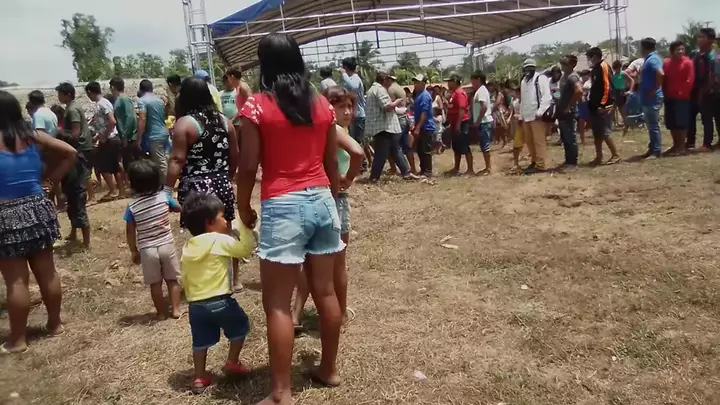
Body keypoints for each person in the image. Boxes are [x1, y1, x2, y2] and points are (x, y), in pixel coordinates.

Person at [236, 33, 346, 404]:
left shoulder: (257, 106)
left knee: (278, 303)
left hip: (283, 204)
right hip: (322, 200)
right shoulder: (321, 104)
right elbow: (331, 163)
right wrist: (331, 199)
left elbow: (248, 166)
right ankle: (328, 369)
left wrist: (243, 206)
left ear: (264, 65)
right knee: (326, 291)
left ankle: (281, 393)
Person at [0, 90, 77, 354]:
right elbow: (70, 152)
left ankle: (18, 340)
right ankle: (55, 325)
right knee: (47, 271)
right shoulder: (32, 135)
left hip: (5, 214)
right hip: (38, 207)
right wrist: (50, 181)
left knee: (16, 280)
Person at [293, 86, 364, 330]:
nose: (347, 112)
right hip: (334, 199)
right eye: (341, 106)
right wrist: (349, 178)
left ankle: (296, 314)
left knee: (308, 261)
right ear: (327, 107)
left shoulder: (311, 128)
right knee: (337, 263)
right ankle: (340, 313)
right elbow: (357, 153)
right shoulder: (333, 129)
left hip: (309, 196)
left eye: (350, 106)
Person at [166, 76, 241, 290]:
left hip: (197, 188)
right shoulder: (225, 121)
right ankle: (234, 280)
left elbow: (177, 159)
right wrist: (227, 176)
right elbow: (234, 154)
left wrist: (167, 189)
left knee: (202, 237)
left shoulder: (185, 123)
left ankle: (210, 281)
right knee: (225, 232)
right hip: (221, 182)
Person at [181, 193, 255, 392]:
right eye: (222, 216)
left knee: (200, 341)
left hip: (196, 305)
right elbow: (245, 250)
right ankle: (232, 361)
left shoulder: (188, 246)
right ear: (210, 223)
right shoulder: (218, 240)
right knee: (240, 326)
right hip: (221, 301)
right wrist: (246, 228)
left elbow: (185, 276)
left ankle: (199, 377)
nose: (226, 220)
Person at [124, 159, 182, 320]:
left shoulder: (132, 206)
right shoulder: (164, 197)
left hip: (147, 249)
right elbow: (178, 208)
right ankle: (176, 310)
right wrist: (170, 207)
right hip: (166, 245)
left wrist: (133, 250)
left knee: (155, 284)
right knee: (172, 280)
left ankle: (161, 313)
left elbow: (130, 231)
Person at [56, 82, 93, 248]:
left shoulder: (72, 110)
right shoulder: (72, 107)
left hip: (78, 151)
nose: (58, 96)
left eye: (60, 94)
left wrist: (61, 136)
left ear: (68, 94)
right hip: (77, 152)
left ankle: (86, 241)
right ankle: (74, 232)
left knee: (77, 194)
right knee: (71, 195)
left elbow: (75, 133)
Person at [365, 72, 416, 182]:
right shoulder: (380, 90)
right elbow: (387, 107)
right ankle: (374, 177)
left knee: (395, 150)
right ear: (385, 80)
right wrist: (397, 101)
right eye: (390, 80)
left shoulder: (372, 90)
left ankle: (406, 172)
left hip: (381, 126)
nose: (391, 83)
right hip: (384, 127)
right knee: (381, 154)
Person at [85, 82, 124, 200]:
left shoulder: (102, 103)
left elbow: (112, 121)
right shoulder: (103, 103)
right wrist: (98, 137)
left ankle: (113, 190)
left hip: (110, 139)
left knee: (103, 167)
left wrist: (104, 136)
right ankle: (121, 191)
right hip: (111, 138)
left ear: (90, 92)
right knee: (115, 166)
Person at [585, 47, 621, 165]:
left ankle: (615, 155)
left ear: (595, 57)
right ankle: (599, 157)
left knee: (605, 131)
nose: (588, 60)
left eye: (589, 57)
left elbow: (607, 87)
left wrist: (603, 104)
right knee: (597, 132)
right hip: (595, 105)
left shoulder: (603, 66)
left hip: (604, 105)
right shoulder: (595, 69)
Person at [519, 59, 552, 174]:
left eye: (530, 68)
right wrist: (521, 116)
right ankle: (534, 161)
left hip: (537, 115)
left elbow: (547, 97)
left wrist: (540, 112)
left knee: (539, 141)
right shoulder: (523, 81)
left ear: (534, 68)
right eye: (526, 68)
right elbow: (523, 100)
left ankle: (541, 165)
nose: (528, 70)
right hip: (527, 115)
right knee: (529, 141)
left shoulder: (540, 78)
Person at [688, 28, 719, 151]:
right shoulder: (695, 55)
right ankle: (690, 142)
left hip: (710, 92)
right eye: (699, 37)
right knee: (691, 116)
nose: (699, 39)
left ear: (710, 40)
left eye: (702, 37)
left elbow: (713, 76)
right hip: (695, 90)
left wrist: (706, 90)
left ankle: (707, 144)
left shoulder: (713, 56)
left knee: (708, 117)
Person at [663, 41, 695, 156]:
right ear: (672, 51)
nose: (681, 51)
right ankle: (675, 145)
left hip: (682, 98)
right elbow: (664, 79)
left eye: (682, 49)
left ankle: (681, 147)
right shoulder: (667, 63)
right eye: (678, 49)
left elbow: (690, 80)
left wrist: (682, 92)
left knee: (681, 123)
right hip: (669, 97)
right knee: (672, 123)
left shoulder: (688, 63)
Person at [137, 80, 171, 181]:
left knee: (160, 163)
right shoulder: (159, 100)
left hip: (154, 135)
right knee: (163, 159)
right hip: (164, 132)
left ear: (141, 89)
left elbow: (142, 118)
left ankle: (166, 185)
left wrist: (139, 137)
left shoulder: (142, 101)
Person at [340, 57, 369, 171]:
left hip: (358, 115)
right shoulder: (350, 79)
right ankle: (361, 164)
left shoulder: (354, 79)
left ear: (346, 67)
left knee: (357, 141)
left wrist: (343, 74)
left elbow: (353, 86)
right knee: (354, 140)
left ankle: (362, 165)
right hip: (354, 114)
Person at [555, 55, 583, 170]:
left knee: (570, 137)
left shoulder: (573, 77)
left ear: (572, 65)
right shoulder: (564, 76)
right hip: (562, 112)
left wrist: (569, 106)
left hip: (569, 113)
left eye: (565, 64)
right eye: (562, 63)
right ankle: (568, 160)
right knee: (565, 137)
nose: (562, 66)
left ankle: (572, 163)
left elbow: (579, 91)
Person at [639, 38, 665, 159]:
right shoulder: (649, 59)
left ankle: (656, 151)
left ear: (643, 47)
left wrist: (655, 89)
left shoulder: (653, 59)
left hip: (652, 98)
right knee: (650, 125)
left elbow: (661, 73)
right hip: (647, 97)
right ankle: (652, 148)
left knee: (653, 125)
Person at [109, 78, 140, 176]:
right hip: (125, 137)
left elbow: (131, 117)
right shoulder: (119, 100)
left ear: (113, 87)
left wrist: (126, 136)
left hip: (129, 138)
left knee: (132, 165)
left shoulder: (124, 99)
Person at [446, 74, 473, 175]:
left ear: (454, 82)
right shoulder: (453, 93)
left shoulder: (459, 93)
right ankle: (456, 168)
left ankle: (470, 170)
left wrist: (458, 124)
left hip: (462, 123)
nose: (448, 84)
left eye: (449, 81)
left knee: (465, 146)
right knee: (456, 147)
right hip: (455, 123)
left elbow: (462, 110)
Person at [411, 74, 436, 177]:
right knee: (420, 150)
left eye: (417, 82)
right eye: (415, 82)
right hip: (421, 126)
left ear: (423, 83)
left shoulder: (425, 96)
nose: (415, 84)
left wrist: (418, 127)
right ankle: (423, 169)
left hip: (426, 127)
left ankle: (428, 171)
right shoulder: (418, 95)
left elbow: (424, 114)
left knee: (426, 150)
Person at [387, 75, 413, 175]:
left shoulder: (390, 89)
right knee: (406, 147)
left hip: (397, 121)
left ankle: (395, 169)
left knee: (392, 147)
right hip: (404, 119)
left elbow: (389, 106)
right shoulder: (400, 88)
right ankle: (413, 168)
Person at [470, 71, 493, 174]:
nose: (472, 83)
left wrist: (478, 121)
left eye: (473, 80)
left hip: (484, 122)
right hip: (482, 122)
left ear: (478, 79)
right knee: (483, 145)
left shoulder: (482, 91)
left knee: (485, 146)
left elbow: (484, 107)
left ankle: (488, 168)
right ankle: (487, 167)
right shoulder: (480, 90)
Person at [226, 64, 253, 131]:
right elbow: (242, 108)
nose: (228, 80)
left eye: (228, 78)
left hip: (249, 123)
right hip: (243, 122)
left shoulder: (243, 87)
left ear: (232, 77)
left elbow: (251, 104)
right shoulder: (238, 88)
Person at [507, 82, 525, 172]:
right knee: (516, 145)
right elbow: (513, 111)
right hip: (520, 125)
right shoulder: (516, 101)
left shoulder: (526, 101)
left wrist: (520, 116)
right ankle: (516, 163)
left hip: (527, 124)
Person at [612, 60, 634, 127]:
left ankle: (626, 124)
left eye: (618, 68)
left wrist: (630, 90)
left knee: (621, 109)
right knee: (612, 109)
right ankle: (615, 123)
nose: (617, 70)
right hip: (614, 92)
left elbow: (632, 80)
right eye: (616, 68)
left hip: (621, 92)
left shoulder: (623, 73)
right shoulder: (613, 74)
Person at [578, 70, 592, 145]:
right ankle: (582, 139)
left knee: (590, 121)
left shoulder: (589, 82)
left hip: (589, 103)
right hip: (582, 104)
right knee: (581, 121)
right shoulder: (579, 81)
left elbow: (587, 88)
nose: (584, 77)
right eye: (583, 75)